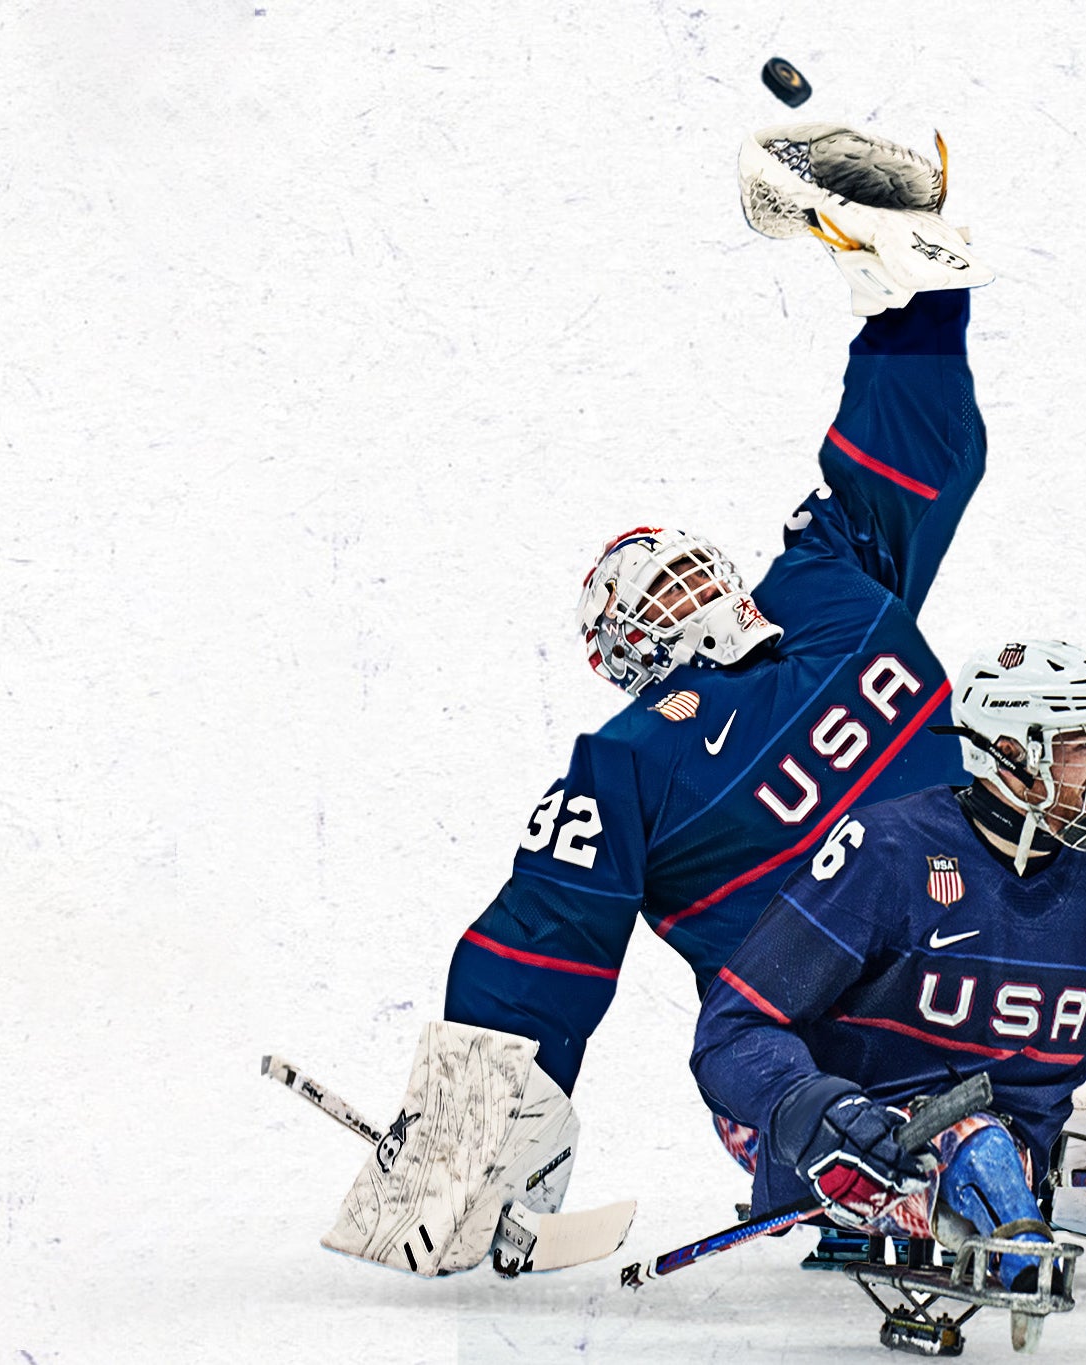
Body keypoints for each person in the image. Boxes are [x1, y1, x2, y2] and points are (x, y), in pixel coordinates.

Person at [321, 121, 1000, 1277]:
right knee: (968, 1168)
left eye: (688, 564)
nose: (683, 589)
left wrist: (911, 296)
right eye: (646, 595)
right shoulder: (627, 761)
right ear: (624, 653)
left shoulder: (833, 587)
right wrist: (474, 1145)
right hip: (837, 1067)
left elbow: (911, 453)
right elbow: (539, 945)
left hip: (1010, 989)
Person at [688, 641, 1086, 1286]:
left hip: (1005, 1143)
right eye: (1082, 740)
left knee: (991, 1142)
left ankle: (1002, 1204)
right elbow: (733, 1030)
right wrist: (814, 1111)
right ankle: (1011, 1236)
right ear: (1011, 754)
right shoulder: (886, 850)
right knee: (978, 1143)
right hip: (842, 1138)